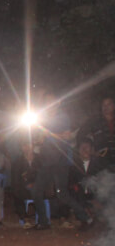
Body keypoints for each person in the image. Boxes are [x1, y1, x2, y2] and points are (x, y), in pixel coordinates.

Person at [33, 93, 94, 230]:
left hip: (60, 159)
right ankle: (43, 222)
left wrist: (47, 133)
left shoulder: (62, 117)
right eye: (47, 102)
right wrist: (39, 140)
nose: (49, 105)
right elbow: (41, 139)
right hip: (48, 159)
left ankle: (86, 218)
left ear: (58, 103)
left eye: (52, 102)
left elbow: (65, 136)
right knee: (37, 191)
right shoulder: (44, 119)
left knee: (62, 193)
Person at [10, 138, 43, 226]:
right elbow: (15, 179)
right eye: (24, 145)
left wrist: (35, 184)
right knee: (16, 191)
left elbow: (44, 175)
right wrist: (26, 184)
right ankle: (24, 217)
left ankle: (42, 219)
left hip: (39, 187)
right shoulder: (17, 162)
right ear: (21, 148)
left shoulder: (40, 159)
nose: (27, 148)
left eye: (29, 145)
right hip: (24, 188)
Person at [77, 96, 115, 167]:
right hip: (104, 163)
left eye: (109, 104)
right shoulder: (95, 121)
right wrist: (90, 147)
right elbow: (80, 135)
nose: (106, 107)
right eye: (103, 105)